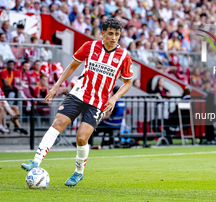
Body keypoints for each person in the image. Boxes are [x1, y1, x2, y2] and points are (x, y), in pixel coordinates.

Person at [21, 18, 133, 187]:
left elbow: (128, 82)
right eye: (110, 33)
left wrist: (114, 97)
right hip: (78, 94)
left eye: (117, 34)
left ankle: (78, 172)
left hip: (97, 102)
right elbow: (72, 67)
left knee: (81, 138)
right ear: (103, 33)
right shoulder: (90, 46)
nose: (114, 37)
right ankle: (36, 161)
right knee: (58, 123)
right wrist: (56, 86)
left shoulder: (124, 56)